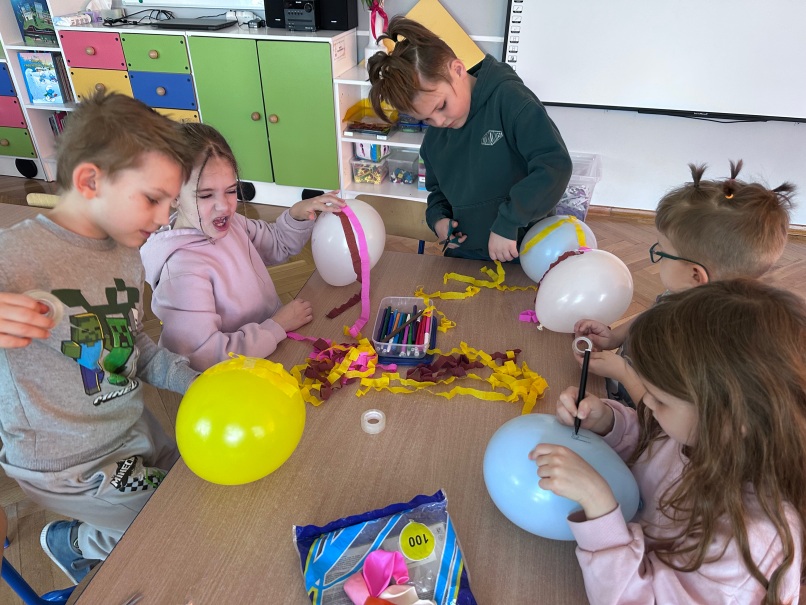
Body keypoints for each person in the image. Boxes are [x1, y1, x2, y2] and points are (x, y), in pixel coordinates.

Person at [0, 92, 200, 583]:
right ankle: (75, 543)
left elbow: (133, 343)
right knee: (171, 523)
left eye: (171, 204)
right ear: (90, 181)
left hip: (132, 428)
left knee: (195, 483)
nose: (164, 218)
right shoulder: (14, 256)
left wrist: (196, 381)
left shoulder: (127, 253)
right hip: (69, 465)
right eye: (152, 199)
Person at [531, 280, 806, 604]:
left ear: (727, 420)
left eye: (659, 399)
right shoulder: (705, 436)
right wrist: (609, 423)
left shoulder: (750, 543)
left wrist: (598, 505)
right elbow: (656, 443)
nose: (645, 401)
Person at [574, 160, 793, 406]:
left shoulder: (699, 342)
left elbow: (667, 413)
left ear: (696, 276)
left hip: (641, 418)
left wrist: (623, 373)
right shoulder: (682, 293)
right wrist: (613, 338)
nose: (657, 256)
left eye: (662, 251)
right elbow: (652, 314)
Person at [140, 122, 345, 372]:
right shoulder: (181, 272)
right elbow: (203, 358)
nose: (224, 206)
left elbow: (276, 244)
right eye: (205, 195)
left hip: (272, 343)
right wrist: (276, 326)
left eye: (230, 191)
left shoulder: (232, 223)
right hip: (234, 374)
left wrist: (297, 215)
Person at [367, 16, 572, 262]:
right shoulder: (433, 141)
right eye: (426, 119)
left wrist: (509, 221)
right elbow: (437, 191)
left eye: (441, 106)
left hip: (526, 252)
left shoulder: (510, 100)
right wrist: (439, 219)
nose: (439, 122)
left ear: (457, 70)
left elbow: (554, 166)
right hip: (466, 256)